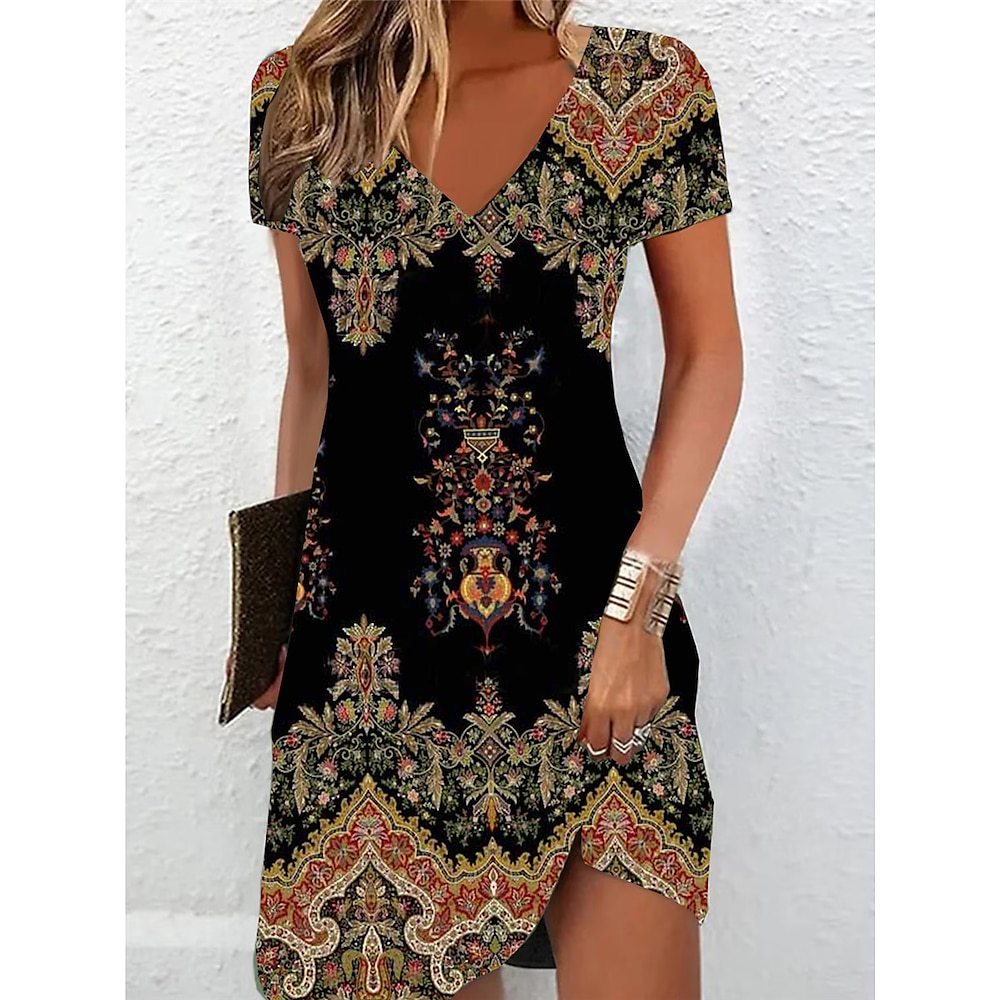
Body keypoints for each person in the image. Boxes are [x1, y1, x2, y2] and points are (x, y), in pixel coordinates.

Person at [242, 2, 742, 997]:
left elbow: (710, 357)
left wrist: (638, 610)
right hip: (370, 668)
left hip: (597, 645)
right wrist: (266, 613)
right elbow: (313, 369)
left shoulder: (643, 91)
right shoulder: (302, 96)